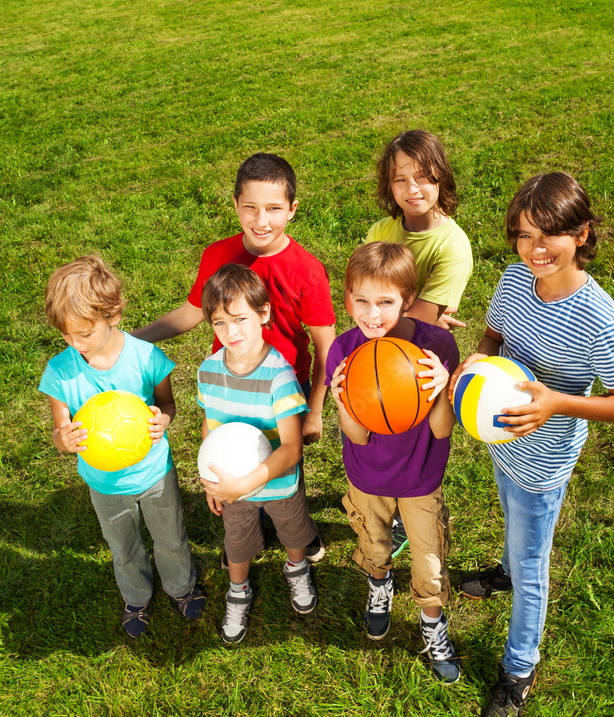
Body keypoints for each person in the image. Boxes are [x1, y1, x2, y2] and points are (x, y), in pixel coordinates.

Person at [450, 172, 614, 717]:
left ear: (581, 234)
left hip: (546, 459)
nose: (534, 249)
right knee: (510, 518)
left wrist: (556, 403)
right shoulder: (514, 280)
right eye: (523, 235)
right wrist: (476, 361)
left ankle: (519, 669)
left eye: (549, 236)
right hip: (502, 443)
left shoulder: (598, 318)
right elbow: (493, 335)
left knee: (534, 561)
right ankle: (505, 572)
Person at [133, 153, 335, 563]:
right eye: (250, 207)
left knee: (284, 465)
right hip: (229, 389)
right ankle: (245, 528)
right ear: (235, 204)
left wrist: (314, 411)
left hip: (281, 393)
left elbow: (325, 348)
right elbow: (192, 312)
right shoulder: (217, 255)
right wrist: (133, 340)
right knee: (234, 455)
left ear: (292, 210)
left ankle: (297, 528)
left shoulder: (307, 270)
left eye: (274, 209)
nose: (261, 220)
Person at [39, 256, 205, 638]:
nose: (74, 343)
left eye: (84, 333)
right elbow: (60, 430)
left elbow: (168, 406)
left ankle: (181, 587)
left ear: (112, 316)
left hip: (153, 474)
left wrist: (164, 419)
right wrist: (62, 440)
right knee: (123, 546)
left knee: (171, 538)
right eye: (66, 335)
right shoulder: (60, 372)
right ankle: (136, 596)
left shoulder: (145, 357)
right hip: (105, 485)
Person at [326, 242, 461, 684]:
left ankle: (431, 623)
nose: (372, 314)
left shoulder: (437, 344)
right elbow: (359, 434)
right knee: (375, 544)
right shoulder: (344, 352)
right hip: (368, 477)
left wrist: (443, 385)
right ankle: (379, 585)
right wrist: (341, 396)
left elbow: (442, 430)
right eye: (361, 300)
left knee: (429, 561)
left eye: (385, 302)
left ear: (408, 298)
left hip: (421, 479)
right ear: (347, 298)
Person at [196, 264, 319, 645]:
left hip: (277, 482)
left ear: (263, 314)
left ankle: (296, 567)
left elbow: (292, 447)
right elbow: (210, 425)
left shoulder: (279, 377)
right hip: (231, 489)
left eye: (240, 319)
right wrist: (212, 482)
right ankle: (239, 589)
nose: (230, 332)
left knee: (294, 531)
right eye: (219, 324)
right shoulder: (209, 371)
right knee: (236, 541)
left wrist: (243, 484)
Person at [366, 130, 473, 557]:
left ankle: (407, 515)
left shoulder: (453, 246)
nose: (413, 189)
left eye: (424, 177)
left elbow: (412, 321)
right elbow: (370, 300)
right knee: (377, 435)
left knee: (414, 443)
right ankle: (378, 504)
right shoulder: (382, 229)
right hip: (379, 356)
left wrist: (393, 316)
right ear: (388, 186)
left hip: (422, 364)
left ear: (441, 179)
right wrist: (393, 315)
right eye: (400, 180)